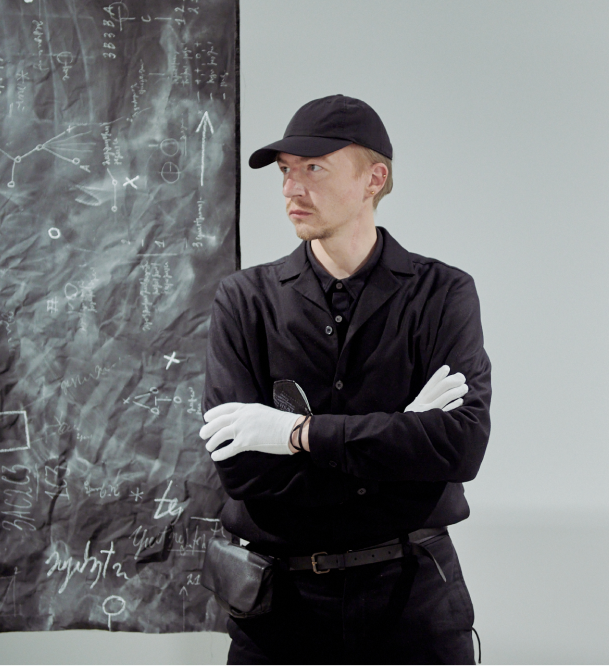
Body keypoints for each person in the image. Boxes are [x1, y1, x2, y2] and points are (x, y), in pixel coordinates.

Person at [198, 94, 491, 665]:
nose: (291, 188)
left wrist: (295, 435)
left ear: (373, 180)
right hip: (280, 612)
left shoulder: (443, 294)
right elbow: (241, 470)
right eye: (285, 171)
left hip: (413, 600)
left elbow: (460, 447)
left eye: (314, 168)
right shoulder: (245, 301)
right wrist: (400, 436)